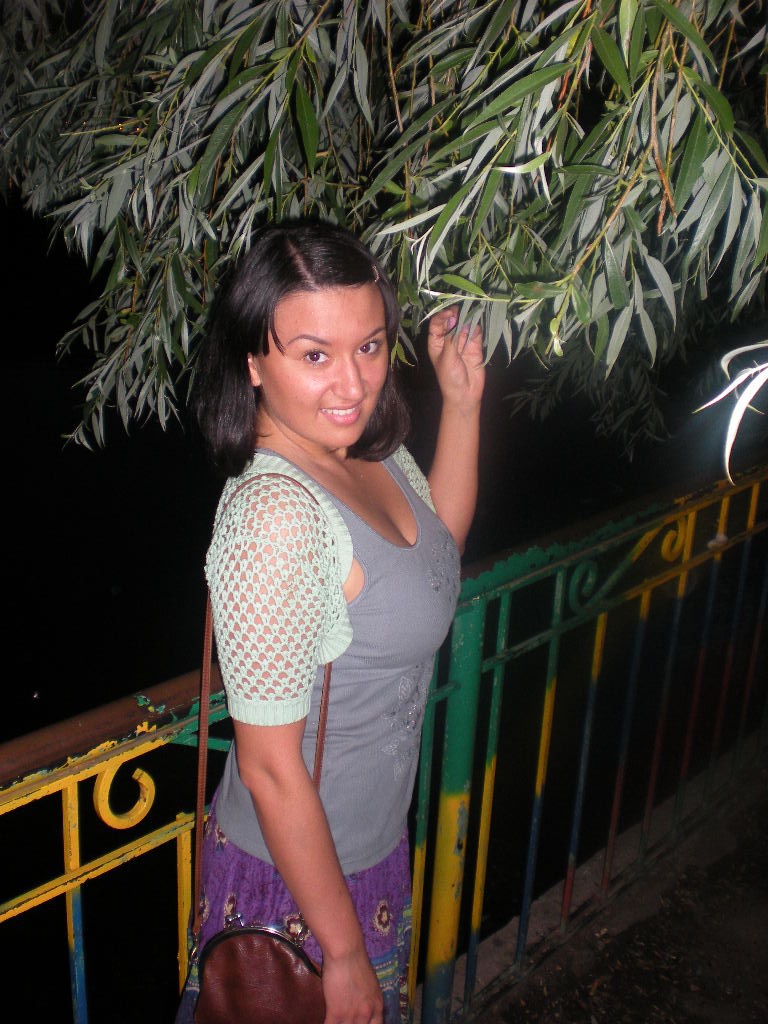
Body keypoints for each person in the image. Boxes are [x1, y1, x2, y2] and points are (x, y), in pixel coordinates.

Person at [178, 221, 484, 1024]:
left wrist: (461, 403)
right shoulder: (274, 516)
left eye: (370, 347)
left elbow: (436, 554)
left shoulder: (365, 454)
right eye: (315, 355)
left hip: (371, 852)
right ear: (253, 361)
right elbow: (269, 767)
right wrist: (343, 953)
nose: (353, 384)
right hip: (295, 890)